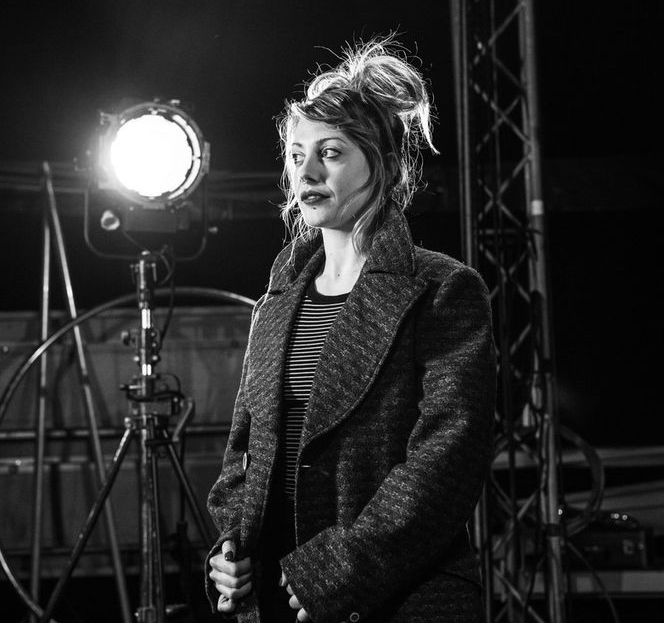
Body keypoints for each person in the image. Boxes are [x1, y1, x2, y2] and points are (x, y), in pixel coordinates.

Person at [205, 37, 496, 622]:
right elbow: (244, 452)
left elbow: (449, 458)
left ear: (383, 162)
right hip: (276, 597)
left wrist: (343, 569)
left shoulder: (442, 289)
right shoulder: (278, 298)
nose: (306, 171)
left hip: (397, 599)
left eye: (330, 153)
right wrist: (230, 547)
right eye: (296, 155)